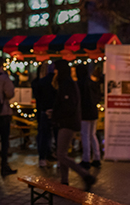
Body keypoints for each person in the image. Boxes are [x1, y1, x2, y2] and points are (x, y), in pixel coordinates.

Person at [50, 60, 96, 190]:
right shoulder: (68, 83)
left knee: (60, 155)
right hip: (68, 121)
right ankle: (64, 181)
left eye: (56, 70)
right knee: (63, 153)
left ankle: (85, 175)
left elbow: (68, 106)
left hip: (67, 123)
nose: (54, 72)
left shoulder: (67, 85)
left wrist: (55, 114)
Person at [32, 62, 56, 167]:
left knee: (44, 134)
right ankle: (46, 155)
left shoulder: (41, 82)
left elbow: (38, 96)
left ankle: (45, 156)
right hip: (49, 111)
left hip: (43, 111)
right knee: (48, 134)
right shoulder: (53, 82)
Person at [79, 65, 102, 169]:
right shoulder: (93, 83)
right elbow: (98, 97)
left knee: (85, 135)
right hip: (94, 112)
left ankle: (86, 159)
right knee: (92, 135)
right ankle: (97, 158)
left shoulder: (80, 84)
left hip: (85, 113)